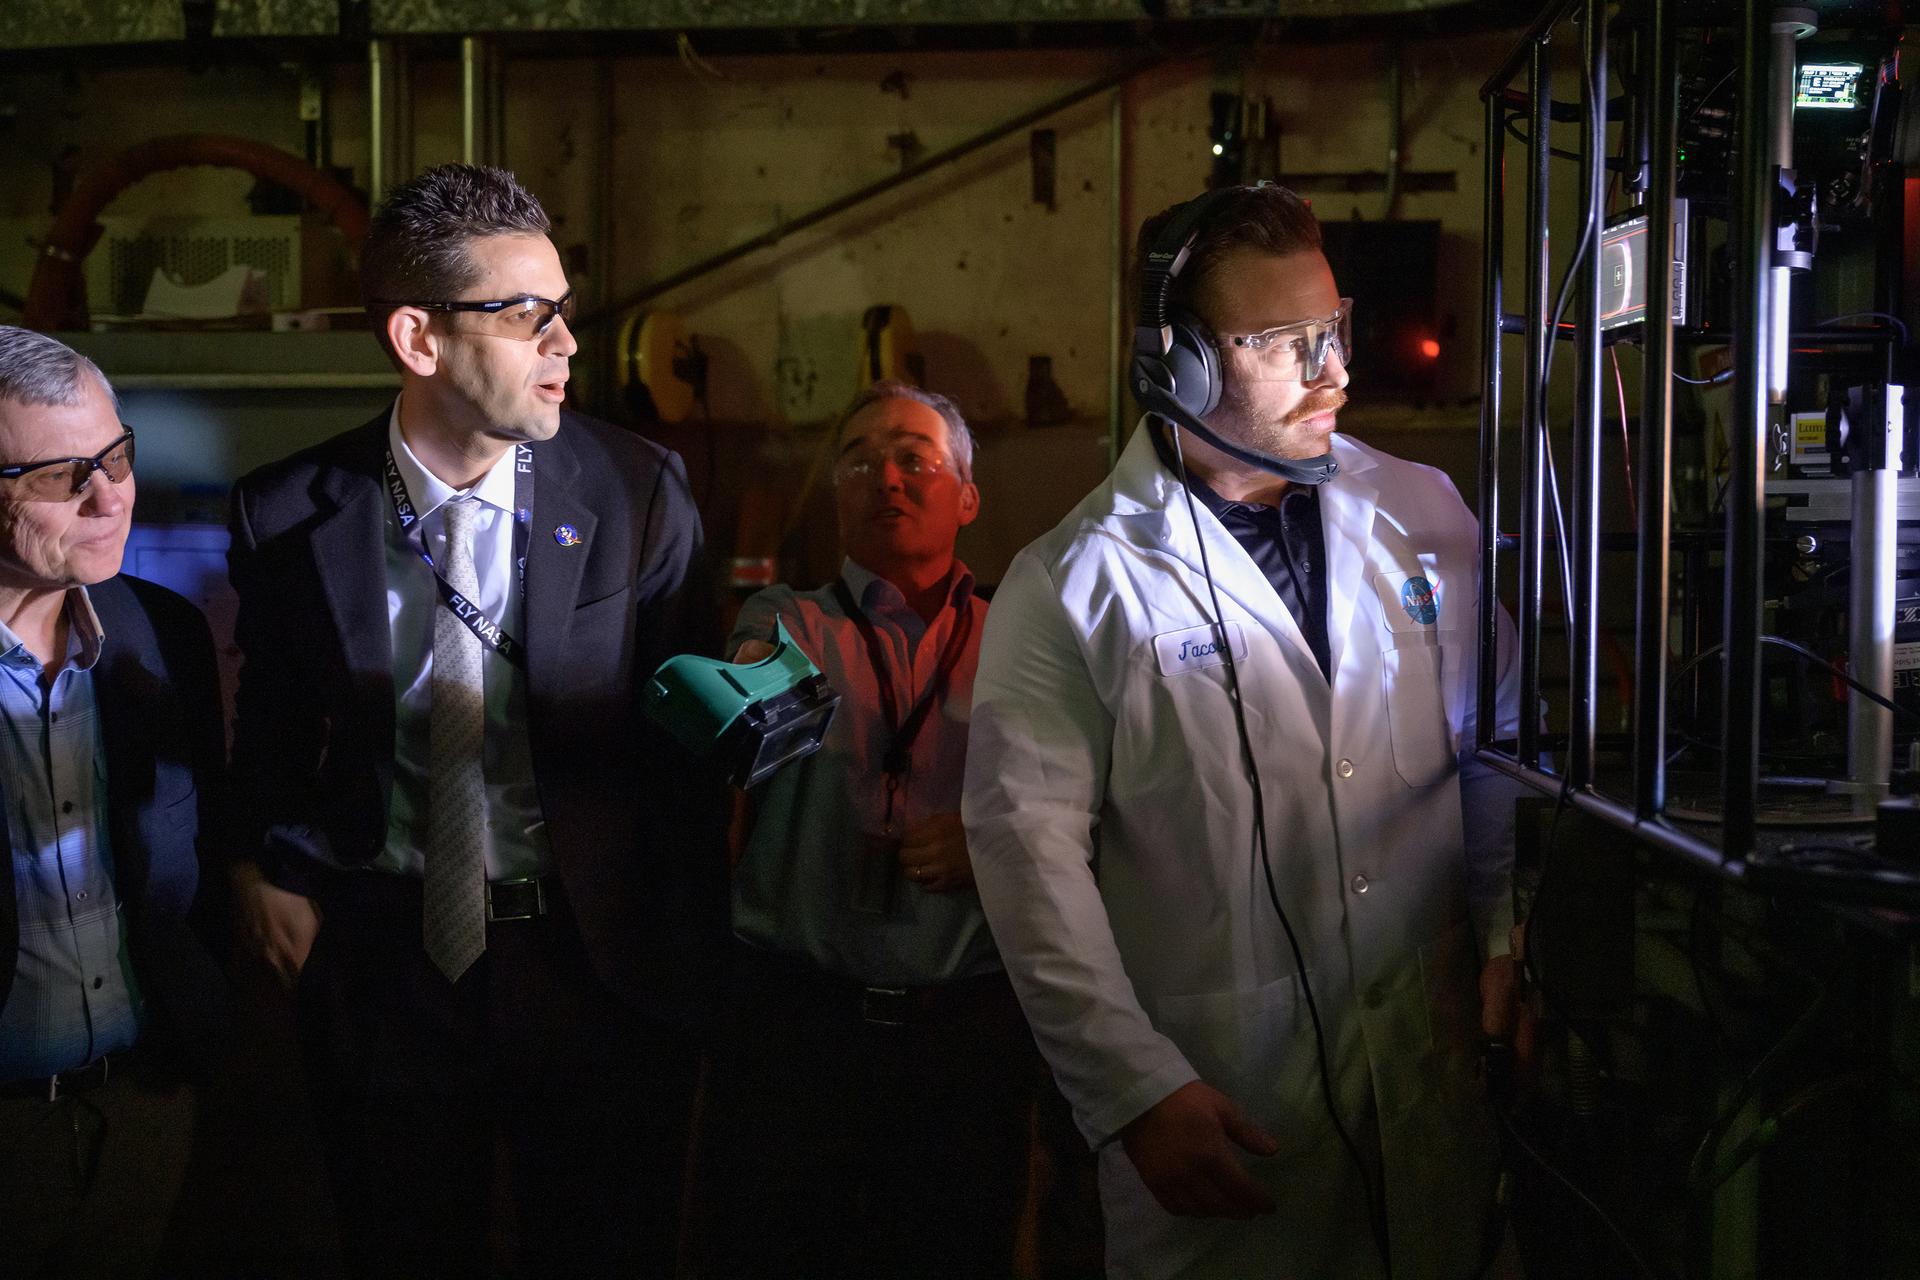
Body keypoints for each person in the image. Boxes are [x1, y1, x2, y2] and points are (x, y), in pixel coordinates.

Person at [962, 184, 1525, 1279]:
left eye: (1335, 327)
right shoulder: (1074, 584)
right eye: (1287, 342)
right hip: (1227, 1121)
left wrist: (1510, 942)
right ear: (1180, 364)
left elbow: (1498, 750)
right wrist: (1132, 1087)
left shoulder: (1426, 513)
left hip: (1436, 1090)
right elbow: (1026, 859)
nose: (1336, 370)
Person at [224, 163, 722, 1278]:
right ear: (419, 338)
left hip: (592, 963)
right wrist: (255, 865)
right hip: (385, 962)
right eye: (527, 314)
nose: (567, 344)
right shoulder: (288, 510)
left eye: (564, 310)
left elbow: (681, 757)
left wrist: (684, 965)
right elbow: (270, 723)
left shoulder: (638, 489)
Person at [683, 381, 1038, 1279]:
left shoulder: (1023, 641)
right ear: (837, 496)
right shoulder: (788, 621)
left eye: (915, 458)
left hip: (963, 1034)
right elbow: (754, 692)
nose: (887, 476)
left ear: (967, 497)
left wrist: (995, 840)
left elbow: (1090, 804)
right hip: (799, 1030)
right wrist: (742, 702)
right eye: (860, 460)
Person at [0, 326, 229, 1277]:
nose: (110, 497)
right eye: (63, 476)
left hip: (144, 1108)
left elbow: (199, 861)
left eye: (117, 457)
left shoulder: (163, 631)